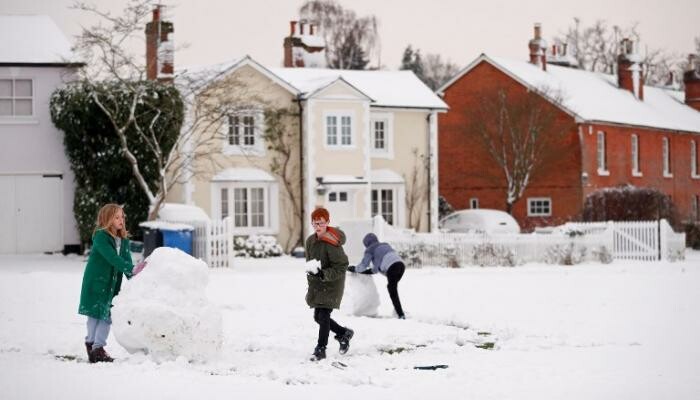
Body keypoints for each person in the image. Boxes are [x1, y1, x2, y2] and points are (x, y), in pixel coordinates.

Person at [77, 204, 146, 363]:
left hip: (112, 285)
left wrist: (137, 279)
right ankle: (93, 346)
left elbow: (126, 262)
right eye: (116, 217)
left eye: (122, 216)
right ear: (107, 219)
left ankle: (97, 347)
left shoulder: (124, 240)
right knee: (95, 315)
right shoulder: (101, 237)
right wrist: (131, 268)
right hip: (97, 282)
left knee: (107, 316)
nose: (121, 220)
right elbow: (112, 258)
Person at [305, 207, 354, 361]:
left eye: (321, 223)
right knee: (318, 317)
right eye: (315, 223)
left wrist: (324, 274)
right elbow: (310, 262)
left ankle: (321, 349)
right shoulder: (310, 241)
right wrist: (313, 274)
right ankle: (343, 333)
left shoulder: (332, 242)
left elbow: (342, 265)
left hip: (333, 283)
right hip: (318, 283)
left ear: (327, 223)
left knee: (324, 315)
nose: (317, 227)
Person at [349, 233, 406, 319]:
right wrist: (367, 271)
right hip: (401, 265)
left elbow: (364, 264)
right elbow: (376, 269)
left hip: (392, 267)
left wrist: (355, 269)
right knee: (392, 289)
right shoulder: (385, 245)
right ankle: (398, 311)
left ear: (366, 243)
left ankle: (400, 314)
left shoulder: (370, 250)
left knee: (392, 289)